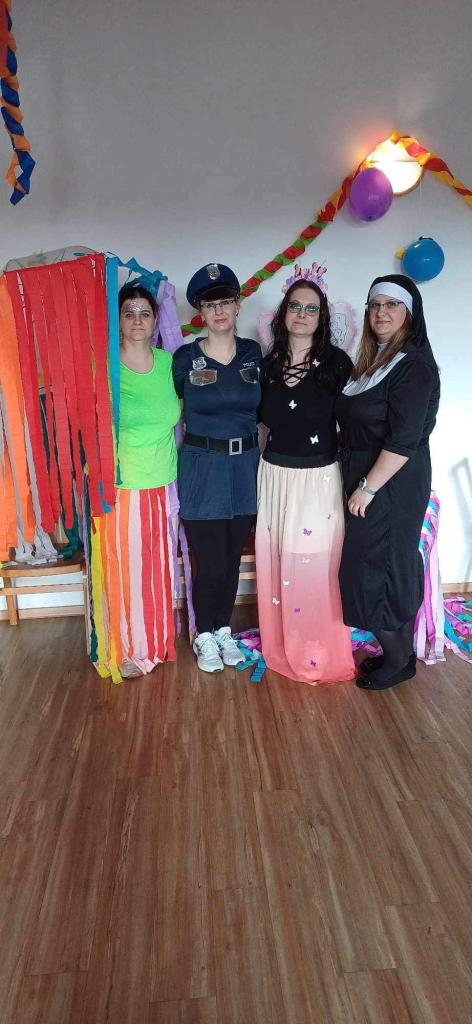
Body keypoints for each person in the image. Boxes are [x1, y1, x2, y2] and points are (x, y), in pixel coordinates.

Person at [336, 274, 440, 691]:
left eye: (391, 305)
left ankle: (398, 661)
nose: (381, 313)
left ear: (409, 314)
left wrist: (368, 487)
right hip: (370, 475)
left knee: (374, 568)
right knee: (377, 566)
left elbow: (404, 440)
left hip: (390, 483)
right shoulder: (375, 360)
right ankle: (397, 652)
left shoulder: (413, 366)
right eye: (375, 305)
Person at [256, 265, 356, 684]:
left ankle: (318, 650)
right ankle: (283, 643)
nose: (302, 314)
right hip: (275, 476)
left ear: (322, 317)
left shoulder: (337, 365)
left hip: (318, 480)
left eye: (311, 309)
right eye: (295, 306)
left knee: (314, 565)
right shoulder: (268, 365)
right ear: (283, 313)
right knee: (280, 561)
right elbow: (262, 423)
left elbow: (355, 425)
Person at [86, 283, 181, 681]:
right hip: (119, 488)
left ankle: (152, 643)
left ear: (156, 319)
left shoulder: (170, 363)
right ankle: (123, 646)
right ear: (118, 320)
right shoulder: (105, 366)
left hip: (161, 485)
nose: (137, 321)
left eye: (145, 313)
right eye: (129, 313)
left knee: (155, 570)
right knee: (122, 570)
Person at [172, 263, 261, 673]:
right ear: (200, 312)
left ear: (238, 305)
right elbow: (172, 409)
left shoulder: (253, 353)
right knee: (207, 559)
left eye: (226, 301)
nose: (219, 310)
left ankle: (223, 629)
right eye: (210, 304)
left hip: (244, 468)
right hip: (202, 468)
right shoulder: (184, 359)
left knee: (230, 557)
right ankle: (203, 633)